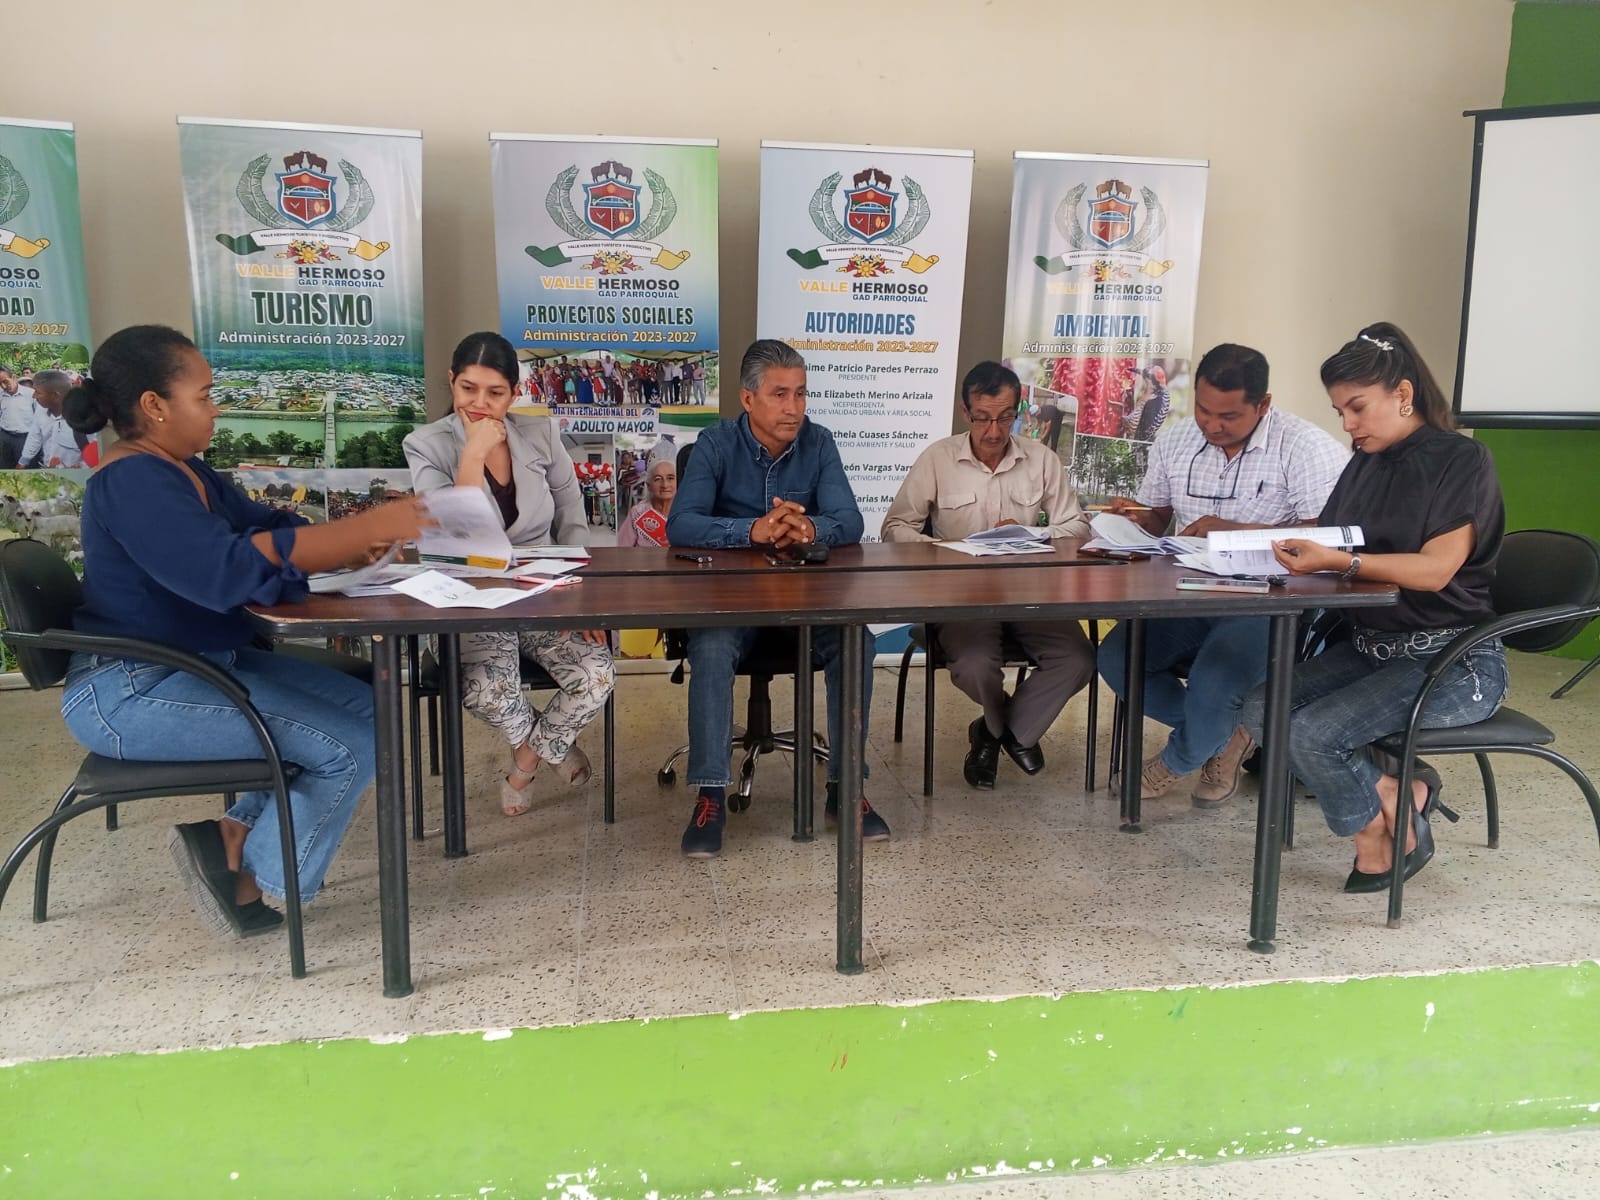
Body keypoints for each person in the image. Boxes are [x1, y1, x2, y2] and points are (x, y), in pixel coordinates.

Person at [56, 325, 429, 938]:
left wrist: (344, 546)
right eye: (204, 396)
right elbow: (222, 570)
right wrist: (356, 533)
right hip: (131, 690)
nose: (216, 409)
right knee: (349, 747)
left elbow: (266, 525)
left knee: (372, 710)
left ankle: (232, 838)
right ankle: (247, 877)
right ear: (154, 405)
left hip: (199, 665)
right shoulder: (131, 482)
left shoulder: (187, 471)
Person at [1239, 322, 1507, 890]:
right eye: (1340, 411)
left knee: (1313, 733)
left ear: (1403, 394)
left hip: (1452, 661)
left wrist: (1339, 562)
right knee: (1261, 708)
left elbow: (1435, 570)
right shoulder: (1364, 460)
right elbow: (1335, 538)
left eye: (1357, 408)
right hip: (1370, 648)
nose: (1347, 424)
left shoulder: (1461, 459)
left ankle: (1377, 838)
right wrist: (1268, 548)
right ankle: (1397, 793)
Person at [1099, 343, 1349, 806]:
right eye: (1203, 410)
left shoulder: (1304, 447)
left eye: (1229, 416)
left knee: (1216, 681)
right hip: (1188, 589)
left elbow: (1326, 542)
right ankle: (1232, 730)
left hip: (1270, 600)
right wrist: (1134, 518)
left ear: (1263, 404)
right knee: (1117, 658)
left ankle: (1176, 760)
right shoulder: (1176, 440)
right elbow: (1157, 518)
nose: (1212, 425)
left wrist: (1236, 531)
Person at [666, 339, 886, 856]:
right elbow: (682, 524)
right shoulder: (715, 444)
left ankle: (844, 787)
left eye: (801, 394)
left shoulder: (819, 442)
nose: (794, 407)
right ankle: (710, 793)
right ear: (748, 399)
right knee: (712, 645)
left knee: (857, 641)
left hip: (804, 602)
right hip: (732, 603)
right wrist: (752, 530)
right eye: (780, 394)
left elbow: (850, 521)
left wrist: (809, 527)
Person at [403, 332, 615, 817]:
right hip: (470, 598)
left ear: (515, 393)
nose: (479, 403)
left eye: (495, 392)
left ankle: (526, 760)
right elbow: (452, 533)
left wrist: (578, 595)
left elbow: (571, 510)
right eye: (468, 389)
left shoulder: (540, 435)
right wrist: (473, 455)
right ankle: (547, 745)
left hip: (542, 593)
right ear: (451, 382)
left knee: (597, 673)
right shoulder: (426, 444)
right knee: (483, 688)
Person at [882, 361, 1097, 789]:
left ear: (1018, 412)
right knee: (975, 666)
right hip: (961, 594)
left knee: (1078, 660)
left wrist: (1033, 535)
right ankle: (1011, 731)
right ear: (965, 412)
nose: (994, 431)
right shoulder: (938, 459)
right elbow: (895, 528)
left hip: (1029, 591)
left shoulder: (1041, 459)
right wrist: (944, 548)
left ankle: (993, 732)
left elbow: (1077, 526)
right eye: (982, 418)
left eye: (1004, 418)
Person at [17, 371, 89, 469]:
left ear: (55, 395)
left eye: (38, 392)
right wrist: (23, 461)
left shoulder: (84, 418)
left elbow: (97, 452)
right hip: (47, 470)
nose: (33, 396)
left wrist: (81, 467)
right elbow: (34, 437)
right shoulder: (40, 411)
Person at [616, 458, 676, 547]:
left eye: (670, 478)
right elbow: (622, 549)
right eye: (658, 479)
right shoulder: (637, 513)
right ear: (649, 486)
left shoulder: (687, 513)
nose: (665, 485)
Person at [0, 367, 37, 469]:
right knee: (4, 469)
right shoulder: (1, 395)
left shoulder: (31, 394)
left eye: (5, 382)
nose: (3, 386)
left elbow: (39, 419)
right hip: (4, 437)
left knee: (25, 470)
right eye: (0, 384)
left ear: (14, 377)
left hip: (25, 439)